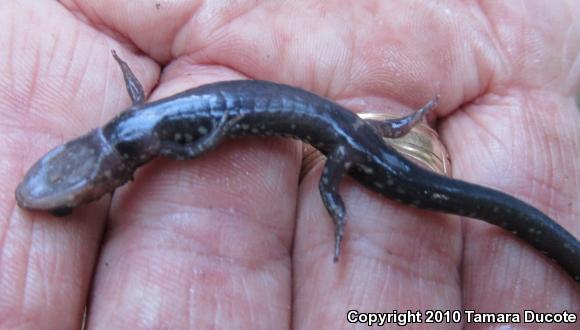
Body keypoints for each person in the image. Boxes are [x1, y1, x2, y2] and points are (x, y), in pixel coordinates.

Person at [1, 1, 578, 328]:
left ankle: (341, 196)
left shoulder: (150, 139)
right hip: (341, 130)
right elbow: (196, 134)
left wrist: (329, 189)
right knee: (379, 161)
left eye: (72, 202)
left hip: (347, 142)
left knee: (375, 179)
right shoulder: (149, 132)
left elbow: (198, 140)